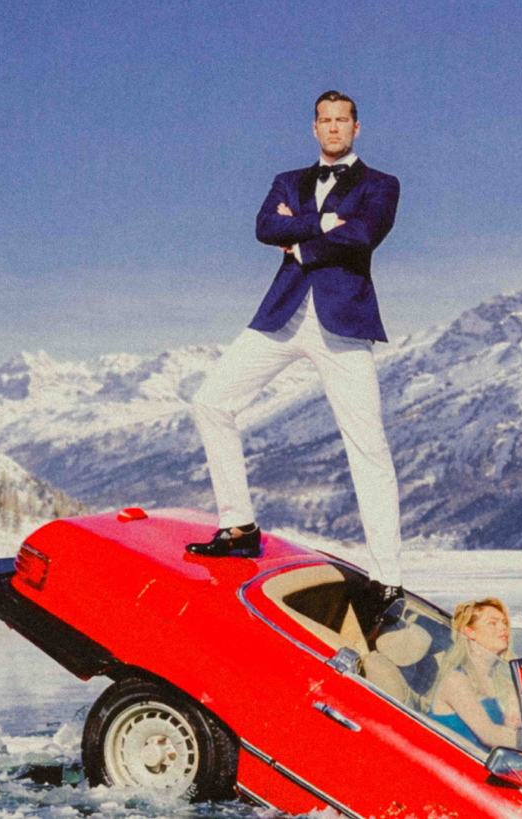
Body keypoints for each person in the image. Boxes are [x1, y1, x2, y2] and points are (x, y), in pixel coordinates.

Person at [187, 90, 404, 615]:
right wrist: (325, 223)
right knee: (210, 402)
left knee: (367, 446)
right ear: (314, 129)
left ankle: (387, 578)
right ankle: (238, 526)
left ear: (357, 127)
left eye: (341, 121)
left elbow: (364, 235)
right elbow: (266, 227)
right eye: (324, 121)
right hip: (283, 315)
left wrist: (303, 238)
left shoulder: (382, 185)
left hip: (343, 323)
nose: (333, 129)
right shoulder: (288, 181)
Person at [426, 598, 522, 752]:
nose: (503, 628)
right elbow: (490, 735)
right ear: (470, 633)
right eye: (492, 623)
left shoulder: (500, 680)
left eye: (504, 622)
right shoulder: (455, 680)